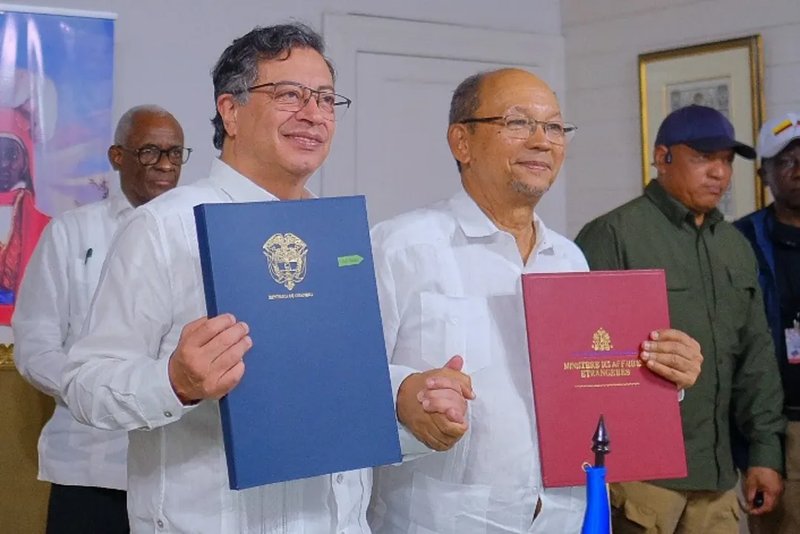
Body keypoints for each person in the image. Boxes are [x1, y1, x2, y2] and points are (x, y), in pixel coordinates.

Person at [62, 24, 469, 533]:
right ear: (230, 111)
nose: (313, 113)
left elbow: (332, 380)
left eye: (324, 98)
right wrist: (175, 382)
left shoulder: (338, 233)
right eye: (289, 95)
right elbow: (85, 383)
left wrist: (409, 397)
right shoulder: (165, 227)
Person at [368, 68, 703, 533]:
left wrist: (664, 375)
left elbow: (590, 389)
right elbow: (348, 387)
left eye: (554, 127)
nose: (542, 141)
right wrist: (407, 396)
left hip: (563, 518)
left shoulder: (569, 258)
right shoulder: (399, 247)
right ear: (461, 142)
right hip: (443, 520)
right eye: (518, 123)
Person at [575, 104, 786, 534]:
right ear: (662, 157)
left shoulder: (734, 245)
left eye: (727, 161)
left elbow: (756, 359)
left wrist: (765, 453)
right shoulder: (613, 234)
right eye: (704, 158)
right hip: (639, 483)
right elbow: (581, 361)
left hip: (718, 479)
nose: (720, 173)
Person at [13, 104, 187, 534]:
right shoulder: (70, 233)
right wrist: (97, 391)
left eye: (175, 153)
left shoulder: (197, 233)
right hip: (90, 466)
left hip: (179, 469)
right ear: (117, 156)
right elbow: (35, 345)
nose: (165, 165)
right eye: (150, 152)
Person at [735, 111, 800, 534]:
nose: (799, 170)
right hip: (781, 429)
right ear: (764, 174)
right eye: (787, 160)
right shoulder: (739, 241)